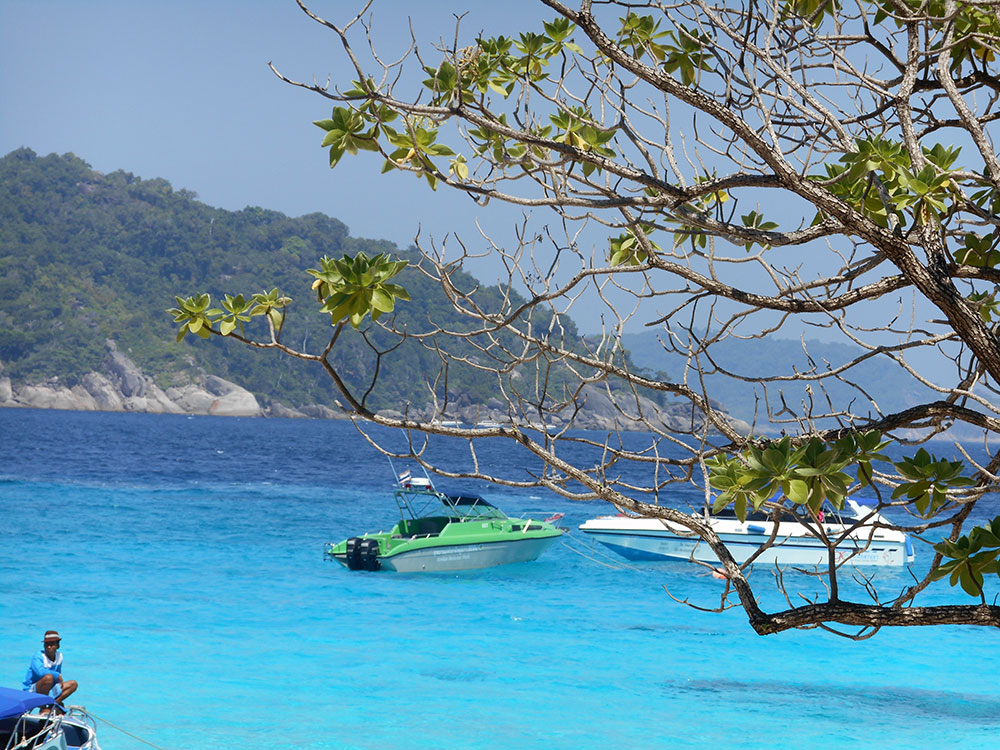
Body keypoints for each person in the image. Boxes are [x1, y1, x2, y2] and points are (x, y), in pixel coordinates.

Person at [22, 630, 78, 704]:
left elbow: (57, 676)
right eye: (46, 644)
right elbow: (41, 673)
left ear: (58, 646)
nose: (49, 647)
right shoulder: (38, 656)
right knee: (48, 678)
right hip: (32, 690)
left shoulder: (59, 656)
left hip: (49, 688)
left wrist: (58, 684)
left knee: (73, 684)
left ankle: (53, 704)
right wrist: (57, 675)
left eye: (52, 644)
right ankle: (43, 706)